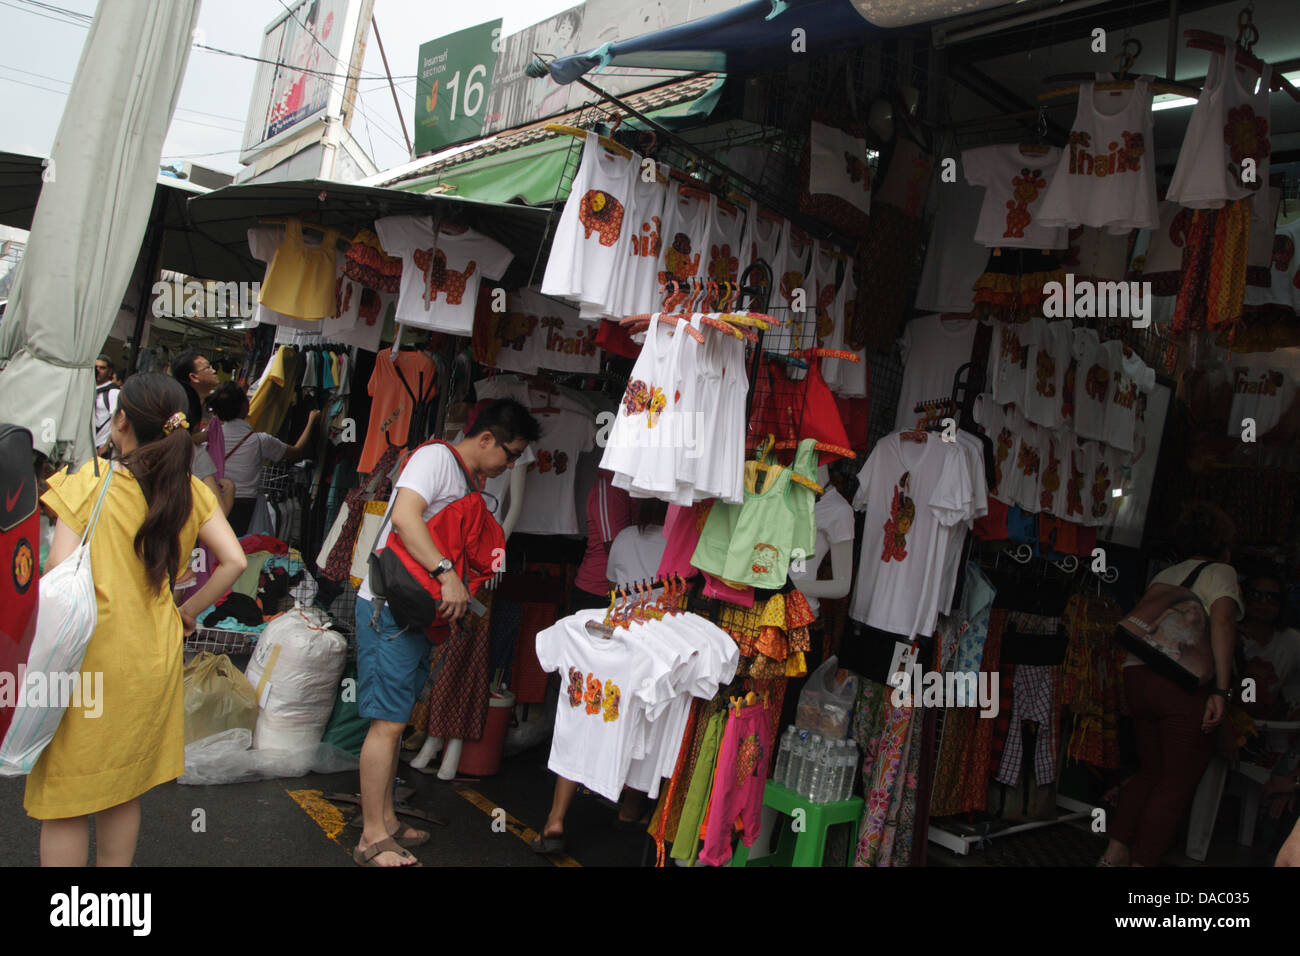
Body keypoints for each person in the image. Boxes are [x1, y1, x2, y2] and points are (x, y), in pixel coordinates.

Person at [29, 373, 246, 866]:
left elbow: (59, 578)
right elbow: (233, 560)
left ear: (121, 420)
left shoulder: (88, 481)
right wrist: (186, 612)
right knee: (121, 791)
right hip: (152, 658)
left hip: (85, 660)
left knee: (65, 801)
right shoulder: (191, 491)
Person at [353, 398, 539, 867]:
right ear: (485, 439)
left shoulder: (466, 478)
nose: (510, 464)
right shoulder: (436, 459)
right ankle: (371, 838)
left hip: (414, 613)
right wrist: (446, 573)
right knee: (388, 723)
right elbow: (405, 516)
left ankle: (388, 822)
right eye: (511, 454)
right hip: (388, 609)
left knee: (394, 722)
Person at [1100, 501, 1244, 867]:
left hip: (1137, 674)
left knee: (1150, 771)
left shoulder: (1164, 575)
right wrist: (1221, 691)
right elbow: (1223, 624)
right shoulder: (1222, 572)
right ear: (1223, 545)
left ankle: (1114, 853)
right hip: (1179, 683)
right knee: (1176, 783)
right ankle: (1141, 863)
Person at [534, 498, 668, 854]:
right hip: (649, 645)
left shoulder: (623, 537)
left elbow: (610, 582)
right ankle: (630, 807)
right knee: (645, 721)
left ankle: (555, 819)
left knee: (583, 722)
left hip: (609, 639)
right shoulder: (681, 544)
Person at [206, 381, 320, 536]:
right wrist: (311, 421)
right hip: (247, 509)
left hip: (214, 504)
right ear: (245, 406)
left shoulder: (207, 440)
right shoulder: (260, 441)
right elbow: (297, 451)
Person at [1236, 570, 1300, 721]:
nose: (1264, 603)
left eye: (1273, 598)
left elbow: (1294, 690)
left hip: (1275, 728)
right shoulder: (1231, 636)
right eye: (1256, 595)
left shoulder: (1292, 641)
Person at [570, 469, 638, 612]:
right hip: (597, 590)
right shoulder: (608, 487)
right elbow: (612, 545)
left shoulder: (633, 486)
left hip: (625, 587)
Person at [170, 350, 220, 444]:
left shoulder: (213, 404)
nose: (214, 371)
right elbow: (171, 439)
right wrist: (206, 435)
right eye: (208, 367)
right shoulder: (179, 407)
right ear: (194, 377)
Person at [92, 354, 119, 456]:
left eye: (102, 368)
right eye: (96, 367)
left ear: (110, 371)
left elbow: (116, 421)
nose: (98, 370)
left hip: (100, 446)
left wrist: (107, 445)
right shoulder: (89, 388)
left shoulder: (113, 392)